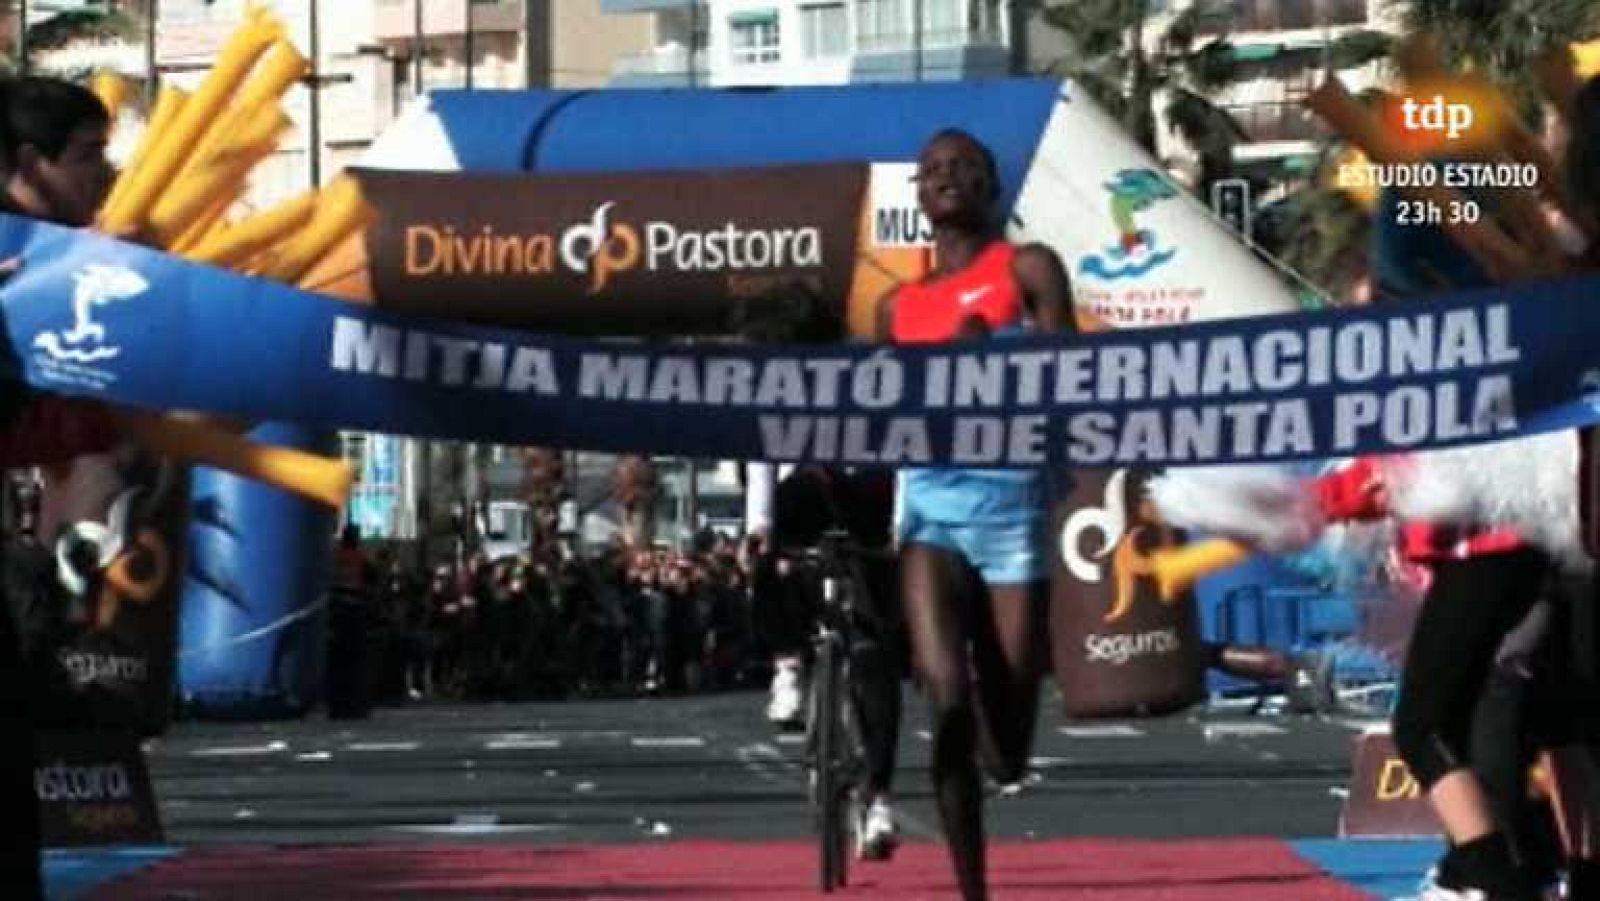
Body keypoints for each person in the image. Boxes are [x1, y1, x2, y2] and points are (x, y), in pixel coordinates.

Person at [874, 128, 1071, 901]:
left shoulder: (1027, 268)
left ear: (990, 186)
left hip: (1014, 513)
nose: (946, 176)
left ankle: (1002, 752)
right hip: (932, 512)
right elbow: (869, 411)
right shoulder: (897, 305)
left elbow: (1077, 378)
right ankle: (972, 890)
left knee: (1007, 750)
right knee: (947, 697)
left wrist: (992, 357)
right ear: (919, 197)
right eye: (932, 170)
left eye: (964, 167)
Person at [0, 76, 127, 900]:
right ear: (26, 164)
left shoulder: (72, 278)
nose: (105, 177)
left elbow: (89, 456)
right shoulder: (24, 280)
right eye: (87, 158)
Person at [753, 463, 905, 860]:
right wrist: (760, 522)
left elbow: (909, 454)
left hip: (873, 492)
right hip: (806, 487)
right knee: (767, 557)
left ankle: (878, 800)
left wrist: (903, 523)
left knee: (875, 659)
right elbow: (761, 455)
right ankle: (787, 663)